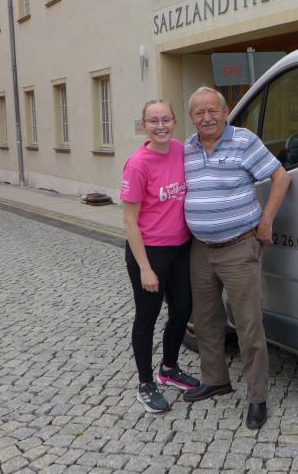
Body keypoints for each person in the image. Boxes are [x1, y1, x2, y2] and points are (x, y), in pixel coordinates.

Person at [182, 86, 291, 429]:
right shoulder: (187, 149)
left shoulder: (244, 141)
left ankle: (257, 397)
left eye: (212, 111)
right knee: (206, 320)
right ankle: (216, 379)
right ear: (192, 117)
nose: (207, 118)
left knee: (248, 325)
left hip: (239, 247)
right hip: (201, 250)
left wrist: (267, 219)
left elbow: (281, 177)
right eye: (199, 113)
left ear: (225, 111)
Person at [121, 99, 200, 413]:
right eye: (153, 121)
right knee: (147, 317)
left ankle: (168, 368)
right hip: (150, 252)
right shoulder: (138, 164)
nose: (160, 126)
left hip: (181, 249)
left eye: (166, 119)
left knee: (182, 309)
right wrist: (145, 268)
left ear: (175, 122)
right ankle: (145, 384)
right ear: (144, 126)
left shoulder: (181, 150)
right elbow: (130, 222)